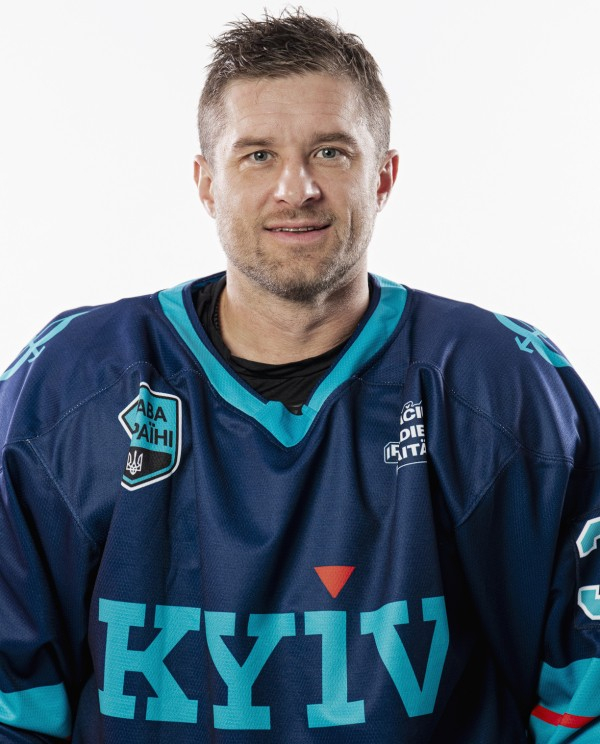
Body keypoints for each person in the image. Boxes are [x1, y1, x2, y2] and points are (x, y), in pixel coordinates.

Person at [0, 7, 598, 742]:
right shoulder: (70, 386)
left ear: (384, 176)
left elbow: (585, 698)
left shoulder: (499, 386)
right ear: (206, 183)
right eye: (257, 155)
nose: (296, 188)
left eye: (331, 152)